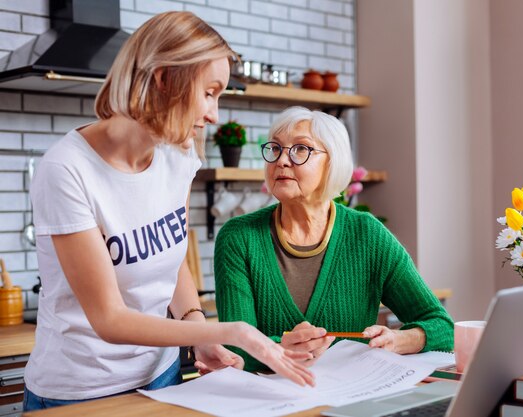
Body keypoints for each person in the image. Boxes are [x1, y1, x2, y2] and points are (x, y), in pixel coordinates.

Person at [23, 12, 313, 412]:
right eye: (209, 92)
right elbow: (108, 318)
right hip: (80, 392)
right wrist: (235, 332)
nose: (213, 114)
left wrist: (198, 332)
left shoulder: (178, 153)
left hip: (163, 378)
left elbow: (171, 255)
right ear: (164, 79)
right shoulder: (67, 170)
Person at [215, 106, 454, 372]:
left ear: (333, 161)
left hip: (350, 401)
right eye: (275, 149)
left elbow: (442, 326)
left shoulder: (367, 234)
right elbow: (234, 348)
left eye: (301, 149)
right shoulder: (238, 237)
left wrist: (401, 339)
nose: (281, 160)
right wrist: (279, 351)